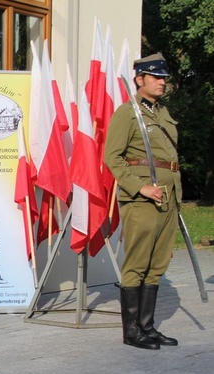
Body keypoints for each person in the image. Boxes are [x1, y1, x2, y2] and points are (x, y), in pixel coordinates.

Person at [104, 53, 181, 350]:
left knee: (157, 263)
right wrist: (141, 188)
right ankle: (131, 332)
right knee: (137, 263)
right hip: (143, 198)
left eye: (164, 78)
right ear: (140, 80)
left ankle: (147, 327)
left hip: (168, 195)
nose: (162, 82)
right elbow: (112, 157)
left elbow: (170, 159)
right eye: (156, 77)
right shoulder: (128, 113)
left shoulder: (162, 113)